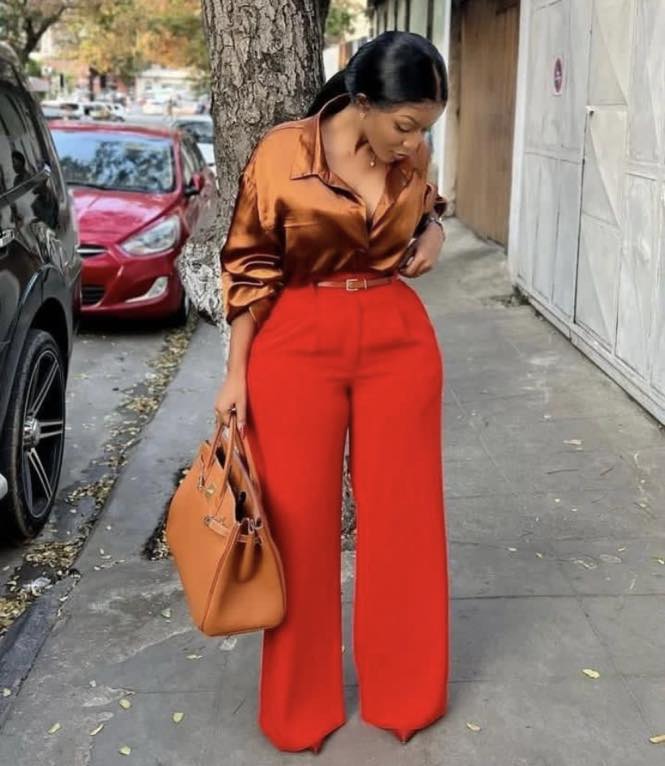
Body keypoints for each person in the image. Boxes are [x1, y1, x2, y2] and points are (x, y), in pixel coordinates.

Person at [216, 30, 449, 755]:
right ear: (361, 101)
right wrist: (234, 375)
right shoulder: (283, 152)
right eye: (404, 125)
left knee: (405, 521)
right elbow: (248, 265)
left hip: (396, 339)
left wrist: (433, 233)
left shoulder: (412, 156)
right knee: (297, 528)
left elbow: (428, 208)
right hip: (295, 341)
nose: (413, 143)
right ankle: (299, 706)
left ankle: (405, 692)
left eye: (425, 129)